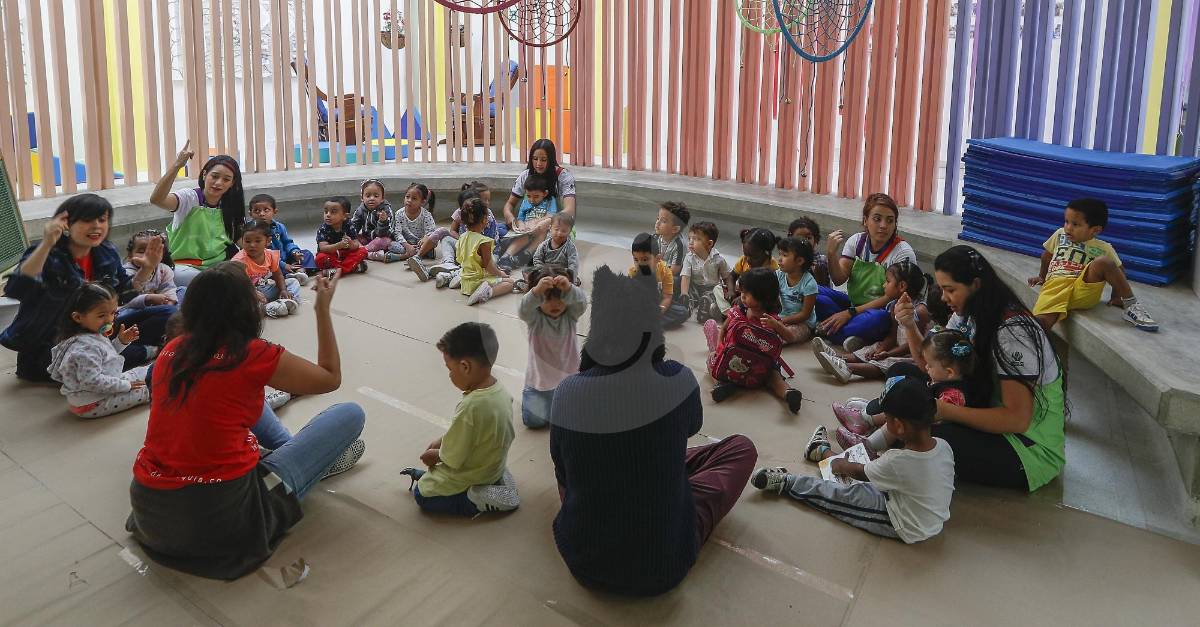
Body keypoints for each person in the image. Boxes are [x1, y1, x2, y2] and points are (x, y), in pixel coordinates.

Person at [125, 264, 366, 580]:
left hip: (151, 512)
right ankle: (304, 459)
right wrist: (323, 310)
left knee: (233, 399)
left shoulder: (173, 349)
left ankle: (289, 452)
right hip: (223, 520)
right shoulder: (253, 354)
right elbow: (329, 378)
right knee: (349, 414)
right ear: (245, 307)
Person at [550, 266, 758, 596]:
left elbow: (563, 474)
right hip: (664, 563)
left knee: (584, 466)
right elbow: (692, 427)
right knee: (741, 449)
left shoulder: (567, 391)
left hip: (583, 557)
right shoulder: (678, 378)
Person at [895, 245, 1065, 492]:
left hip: (1026, 448)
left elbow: (1017, 419)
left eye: (950, 289)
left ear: (975, 285)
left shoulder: (1014, 333)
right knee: (903, 374)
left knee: (932, 436)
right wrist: (909, 325)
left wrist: (946, 411)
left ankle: (884, 433)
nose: (943, 298)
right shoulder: (968, 314)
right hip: (985, 411)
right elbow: (931, 364)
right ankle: (879, 423)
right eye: (942, 289)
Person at [751, 374, 954, 544]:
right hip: (918, 508)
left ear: (899, 425)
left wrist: (840, 464)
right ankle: (820, 451)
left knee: (842, 495)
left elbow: (858, 472)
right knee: (868, 470)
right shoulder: (943, 446)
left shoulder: (897, 461)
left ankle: (788, 482)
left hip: (904, 523)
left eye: (886, 417)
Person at [2, 194, 162, 380]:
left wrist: (147, 268)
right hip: (55, 344)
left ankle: (129, 349)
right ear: (66, 224)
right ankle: (144, 351)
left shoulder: (106, 252)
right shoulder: (49, 255)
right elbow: (16, 288)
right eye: (87, 220)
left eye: (102, 220)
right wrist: (46, 244)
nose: (96, 226)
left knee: (166, 313)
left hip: (100, 329)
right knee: (92, 362)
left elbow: (124, 294)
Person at [398, 322, 520, 515]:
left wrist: (435, 455)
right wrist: (443, 441)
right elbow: (469, 434)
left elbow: (453, 458)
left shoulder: (471, 406)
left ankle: (475, 498)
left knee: (423, 495)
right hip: (492, 464)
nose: (449, 375)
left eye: (449, 368)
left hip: (475, 473)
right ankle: (496, 479)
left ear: (464, 366)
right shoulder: (500, 391)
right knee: (439, 475)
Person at [834, 330, 975, 455]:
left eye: (930, 365)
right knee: (901, 383)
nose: (926, 367)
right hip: (917, 420)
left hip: (927, 431)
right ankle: (865, 418)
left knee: (904, 414)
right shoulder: (941, 380)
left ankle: (868, 445)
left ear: (949, 372)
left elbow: (935, 416)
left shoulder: (954, 394)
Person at [1028, 197, 1158, 332]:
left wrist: (1116, 297)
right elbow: (1046, 256)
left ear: (1095, 230)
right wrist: (1041, 277)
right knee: (1042, 322)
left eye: (1075, 224)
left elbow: (1118, 271)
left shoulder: (1104, 248)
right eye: (1066, 222)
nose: (1068, 228)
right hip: (1056, 286)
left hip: (1083, 289)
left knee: (1103, 262)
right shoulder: (1059, 234)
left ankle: (1131, 305)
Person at [817, 193, 917, 350]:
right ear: (865, 220)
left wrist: (849, 313)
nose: (883, 225)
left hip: (880, 312)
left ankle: (828, 332)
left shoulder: (903, 253)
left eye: (890, 221)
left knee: (878, 320)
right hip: (852, 303)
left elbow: (890, 297)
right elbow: (838, 279)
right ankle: (851, 335)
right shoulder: (856, 241)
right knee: (813, 292)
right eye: (877, 219)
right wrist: (831, 254)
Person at [705, 268, 804, 413]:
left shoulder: (771, 319)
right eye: (742, 292)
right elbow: (724, 329)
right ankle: (722, 385)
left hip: (760, 365)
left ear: (763, 296)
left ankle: (788, 393)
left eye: (746, 293)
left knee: (774, 377)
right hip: (739, 360)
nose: (742, 296)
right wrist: (719, 347)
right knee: (714, 360)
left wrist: (777, 325)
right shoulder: (738, 310)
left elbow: (790, 337)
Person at [813, 261, 930, 383]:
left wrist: (889, 353)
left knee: (885, 363)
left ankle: (847, 368)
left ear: (902, 286)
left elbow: (916, 347)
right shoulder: (894, 305)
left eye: (888, 281)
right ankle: (837, 357)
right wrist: (883, 348)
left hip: (913, 355)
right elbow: (892, 335)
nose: (884, 285)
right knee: (871, 350)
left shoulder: (920, 311)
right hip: (896, 348)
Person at [47, 283, 150, 418]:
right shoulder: (84, 348)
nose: (109, 320)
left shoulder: (88, 335)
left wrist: (121, 341)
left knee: (141, 371)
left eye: (113, 313)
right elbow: (93, 381)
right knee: (149, 390)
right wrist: (126, 385)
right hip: (92, 403)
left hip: (100, 387)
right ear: (78, 317)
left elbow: (104, 357)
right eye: (101, 315)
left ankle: (159, 369)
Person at [149, 142, 245, 286]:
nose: (218, 183)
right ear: (205, 174)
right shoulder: (189, 198)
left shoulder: (230, 205)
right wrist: (177, 166)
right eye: (215, 176)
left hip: (220, 266)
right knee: (212, 283)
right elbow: (157, 199)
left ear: (232, 183)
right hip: (185, 267)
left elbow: (240, 239)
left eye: (226, 179)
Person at [517, 267, 588, 429]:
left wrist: (570, 288)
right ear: (538, 301)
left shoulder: (571, 315)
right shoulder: (534, 318)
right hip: (538, 384)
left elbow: (582, 303)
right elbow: (523, 309)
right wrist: (536, 291)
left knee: (573, 418)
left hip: (568, 382)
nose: (555, 304)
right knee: (534, 422)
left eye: (561, 298)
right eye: (547, 299)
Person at [501, 138, 577, 235]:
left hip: (556, 225)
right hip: (527, 225)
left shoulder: (563, 176)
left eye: (543, 160)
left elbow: (569, 210)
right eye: (535, 159)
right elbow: (510, 204)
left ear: (551, 159)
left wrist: (544, 221)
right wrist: (512, 220)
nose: (538, 164)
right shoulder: (525, 176)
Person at [413, 181, 498, 264]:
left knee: (492, 261)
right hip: (463, 246)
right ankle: (446, 262)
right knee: (444, 235)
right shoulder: (460, 213)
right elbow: (452, 230)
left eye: (487, 200)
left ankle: (458, 269)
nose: (486, 203)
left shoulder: (487, 217)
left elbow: (490, 243)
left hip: (480, 251)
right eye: (484, 200)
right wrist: (462, 240)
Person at [118, 229, 180, 342]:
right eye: (141, 251)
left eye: (153, 251)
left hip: (161, 308)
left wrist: (171, 301)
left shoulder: (163, 270)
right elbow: (124, 300)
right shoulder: (126, 272)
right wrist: (148, 298)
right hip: (134, 312)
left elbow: (169, 288)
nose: (148, 256)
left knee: (182, 291)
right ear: (130, 255)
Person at [457, 197, 522, 305]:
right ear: (484, 219)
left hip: (466, 283)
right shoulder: (483, 241)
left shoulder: (462, 237)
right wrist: (500, 273)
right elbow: (489, 267)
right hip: (479, 282)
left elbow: (462, 259)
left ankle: (456, 279)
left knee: (504, 279)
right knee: (510, 283)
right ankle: (486, 293)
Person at [231, 220, 301, 318]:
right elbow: (239, 286)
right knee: (243, 306)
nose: (252, 245)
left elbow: (278, 274)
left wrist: (283, 290)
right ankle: (269, 308)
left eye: (257, 241)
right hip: (247, 292)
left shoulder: (270, 255)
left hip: (265, 289)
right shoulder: (239, 261)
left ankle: (286, 301)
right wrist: (254, 294)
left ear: (268, 241)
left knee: (292, 282)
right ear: (242, 241)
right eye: (247, 241)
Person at [714, 227, 779, 317]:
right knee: (718, 288)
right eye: (746, 255)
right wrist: (731, 291)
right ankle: (729, 312)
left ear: (766, 254)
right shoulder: (744, 260)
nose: (748, 259)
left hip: (757, 300)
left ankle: (731, 314)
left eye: (754, 257)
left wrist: (744, 299)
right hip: (742, 294)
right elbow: (732, 276)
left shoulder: (772, 268)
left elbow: (769, 295)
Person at [248, 193, 315, 277]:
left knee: (306, 254)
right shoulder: (251, 231)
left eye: (266, 210)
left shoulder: (279, 227)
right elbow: (263, 254)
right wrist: (283, 265)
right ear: (250, 213)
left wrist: (294, 252)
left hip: (285, 257)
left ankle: (300, 272)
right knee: (265, 268)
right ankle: (291, 274)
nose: (261, 214)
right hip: (268, 262)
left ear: (274, 211)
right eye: (257, 211)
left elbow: (287, 243)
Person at [499, 175, 559, 266]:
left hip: (542, 230)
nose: (531, 200)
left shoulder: (550, 200)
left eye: (536, 196)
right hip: (528, 231)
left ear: (545, 193)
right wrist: (522, 226)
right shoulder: (526, 202)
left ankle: (526, 254)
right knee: (525, 235)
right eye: (529, 196)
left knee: (543, 230)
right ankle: (506, 257)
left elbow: (551, 216)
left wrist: (537, 222)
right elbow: (520, 219)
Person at [680, 221, 733, 323]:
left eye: (696, 239)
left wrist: (730, 291)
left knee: (716, 293)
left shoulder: (718, 260)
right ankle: (687, 306)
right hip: (695, 286)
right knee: (689, 292)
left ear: (709, 243)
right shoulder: (689, 257)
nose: (690, 242)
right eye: (689, 238)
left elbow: (728, 277)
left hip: (711, 288)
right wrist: (684, 294)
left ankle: (708, 308)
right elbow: (685, 277)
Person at [775, 237, 818, 345]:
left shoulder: (809, 283)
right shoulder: (779, 275)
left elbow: (805, 314)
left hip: (802, 323)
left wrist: (781, 321)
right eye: (779, 254)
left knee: (783, 335)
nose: (779, 259)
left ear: (799, 261)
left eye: (784, 255)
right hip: (780, 318)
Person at [315, 197, 369, 275]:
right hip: (331, 255)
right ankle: (351, 268)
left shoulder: (349, 225)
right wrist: (339, 245)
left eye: (333, 212)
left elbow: (356, 245)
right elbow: (323, 248)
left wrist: (350, 243)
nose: (328, 215)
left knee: (362, 251)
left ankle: (335, 271)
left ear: (345, 216)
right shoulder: (323, 228)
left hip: (345, 254)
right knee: (320, 258)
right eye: (326, 211)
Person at [628, 232, 674, 316]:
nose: (640, 264)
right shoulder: (633, 273)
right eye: (636, 260)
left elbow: (667, 297)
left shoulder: (665, 272)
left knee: (681, 312)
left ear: (657, 259)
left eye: (645, 260)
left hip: (658, 303)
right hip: (641, 304)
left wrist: (658, 312)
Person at [391, 182, 437, 261]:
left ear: (422, 202)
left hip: (421, 244)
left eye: (414, 198)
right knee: (391, 245)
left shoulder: (426, 215)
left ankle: (408, 255)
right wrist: (407, 245)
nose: (409, 200)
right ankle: (420, 254)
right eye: (407, 197)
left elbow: (431, 231)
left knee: (434, 240)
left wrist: (425, 238)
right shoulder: (399, 214)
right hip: (405, 244)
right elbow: (397, 233)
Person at [530, 212, 580, 284]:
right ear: (550, 228)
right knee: (528, 271)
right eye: (556, 229)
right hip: (545, 272)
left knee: (570, 277)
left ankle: (568, 283)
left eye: (564, 231)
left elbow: (573, 264)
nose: (559, 233)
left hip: (561, 273)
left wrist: (571, 277)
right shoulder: (544, 245)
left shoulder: (570, 247)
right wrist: (541, 269)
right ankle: (528, 283)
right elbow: (537, 258)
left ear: (569, 232)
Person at [788, 216, 830, 287]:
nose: (804, 241)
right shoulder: (787, 259)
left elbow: (824, 287)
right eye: (798, 237)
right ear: (790, 238)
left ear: (815, 240)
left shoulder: (821, 261)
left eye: (808, 238)